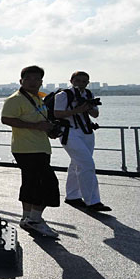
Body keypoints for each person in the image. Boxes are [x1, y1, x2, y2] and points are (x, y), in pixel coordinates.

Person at [0, 66, 61, 237]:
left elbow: (38, 121)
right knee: (48, 183)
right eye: (29, 79)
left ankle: (27, 217)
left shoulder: (38, 98)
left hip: (40, 147)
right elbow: (6, 119)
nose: (33, 82)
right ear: (21, 81)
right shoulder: (15, 99)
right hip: (26, 148)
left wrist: (48, 129)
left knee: (31, 183)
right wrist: (36, 126)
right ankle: (35, 220)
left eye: (37, 79)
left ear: (41, 82)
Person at [55, 71, 110, 211]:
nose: (81, 83)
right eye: (78, 80)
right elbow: (57, 113)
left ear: (88, 83)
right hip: (70, 132)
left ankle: (72, 196)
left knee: (77, 163)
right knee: (87, 164)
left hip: (87, 132)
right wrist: (77, 110)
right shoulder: (63, 95)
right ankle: (93, 201)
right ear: (71, 81)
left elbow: (95, 114)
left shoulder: (88, 94)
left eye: (84, 81)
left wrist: (88, 106)